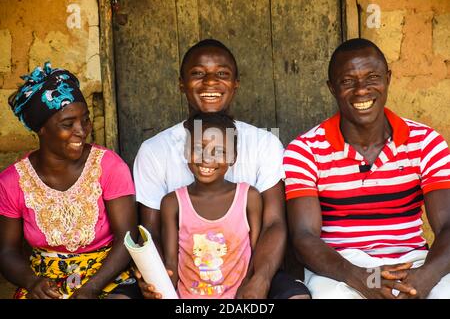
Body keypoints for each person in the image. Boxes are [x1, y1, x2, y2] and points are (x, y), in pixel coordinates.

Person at [133, 39, 310, 299]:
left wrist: (259, 280)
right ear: (181, 83)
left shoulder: (264, 143)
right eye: (197, 74)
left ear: (236, 83)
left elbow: (273, 224)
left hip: (252, 271)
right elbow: (151, 233)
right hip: (183, 279)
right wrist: (156, 279)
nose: (210, 83)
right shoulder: (154, 150)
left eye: (222, 74)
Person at [283, 38, 450, 299]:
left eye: (372, 77)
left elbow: (448, 225)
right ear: (331, 88)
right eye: (348, 81)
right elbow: (304, 237)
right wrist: (362, 278)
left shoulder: (426, 142)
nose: (361, 90)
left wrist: (424, 279)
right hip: (342, 268)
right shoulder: (305, 150)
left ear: (388, 78)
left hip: (413, 262)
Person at [0, 62, 140, 299]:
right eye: (68, 124)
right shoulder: (12, 181)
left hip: (107, 279)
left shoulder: (109, 166)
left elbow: (127, 238)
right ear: (41, 128)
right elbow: (6, 251)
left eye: (84, 120)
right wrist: (32, 282)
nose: (82, 130)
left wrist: (91, 289)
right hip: (44, 285)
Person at [161, 111, 262, 298]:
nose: (207, 158)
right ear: (186, 152)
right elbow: (170, 263)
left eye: (220, 151)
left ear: (233, 157)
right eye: (199, 149)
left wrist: (248, 288)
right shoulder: (172, 203)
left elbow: (258, 256)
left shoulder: (249, 197)